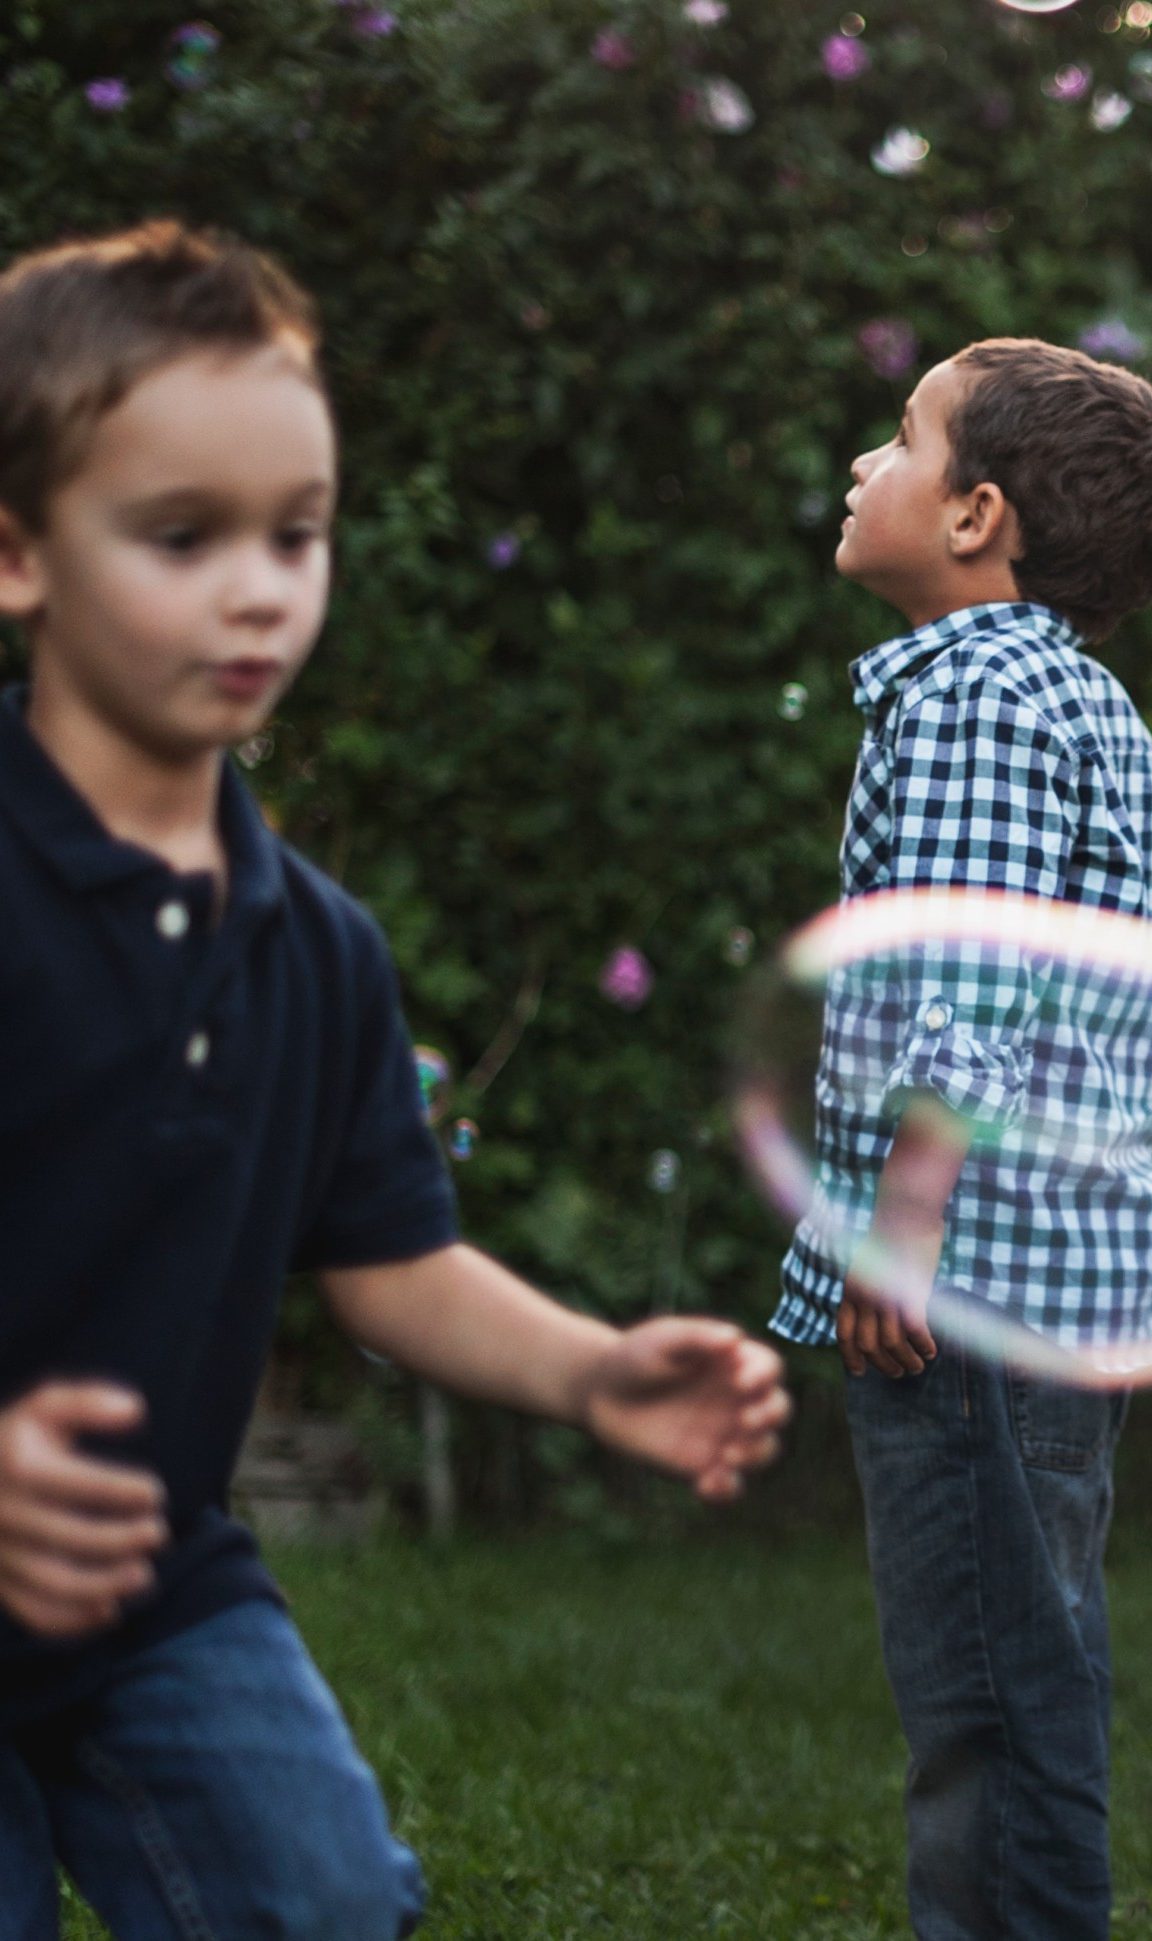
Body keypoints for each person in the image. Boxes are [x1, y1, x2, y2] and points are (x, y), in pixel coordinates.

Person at [0, 221, 790, 1937]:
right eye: (181, 534)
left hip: (151, 1586)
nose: (259, 585)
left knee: (326, 1904)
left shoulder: (314, 946)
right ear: (16, 553)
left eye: (297, 532)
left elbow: (390, 1259)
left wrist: (592, 1371)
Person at [776, 338, 1152, 1939]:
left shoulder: (973, 694)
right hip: (1051, 1286)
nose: (857, 467)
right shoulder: (1076, 702)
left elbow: (961, 979)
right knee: (1030, 1668)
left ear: (975, 516)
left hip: (972, 1285)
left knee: (991, 1703)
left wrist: (903, 1221)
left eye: (895, 441)